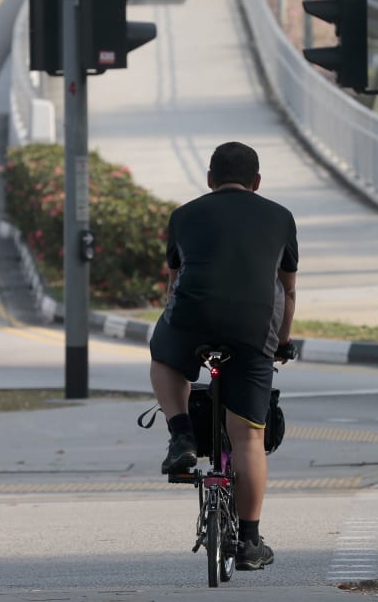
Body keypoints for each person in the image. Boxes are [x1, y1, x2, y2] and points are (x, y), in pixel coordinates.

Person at [149, 142, 298, 571]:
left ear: (210, 179)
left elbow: (175, 284)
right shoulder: (280, 217)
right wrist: (281, 342)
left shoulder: (184, 215)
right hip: (253, 328)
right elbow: (288, 291)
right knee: (249, 438)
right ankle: (249, 542)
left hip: (192, 321)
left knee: (164, 358)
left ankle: (181, 435)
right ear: (257, 182)